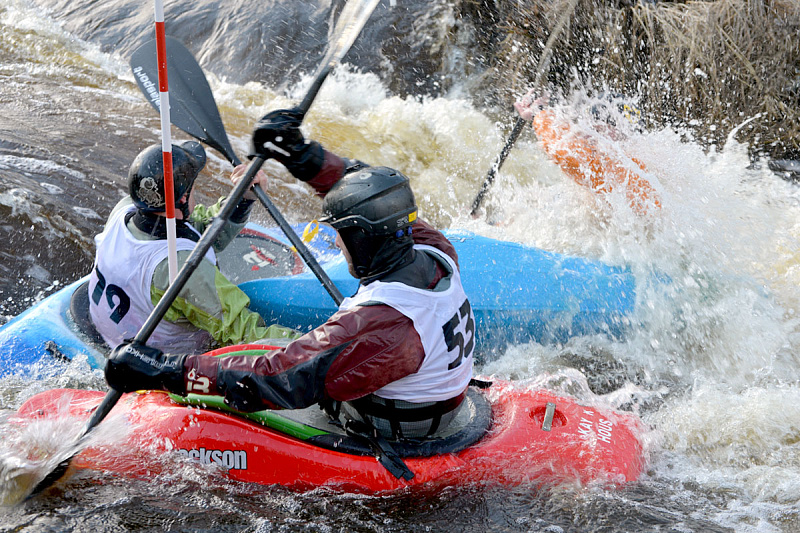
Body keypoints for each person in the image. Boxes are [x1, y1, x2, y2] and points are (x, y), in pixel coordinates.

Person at [103, 110, 476, 440]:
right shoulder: (434, 249)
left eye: (339, 234)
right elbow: (367, 188)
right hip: (429, 397)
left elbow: (276, 376)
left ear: (363, 240)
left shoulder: (379, 325)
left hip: (388, 431)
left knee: (273, 363)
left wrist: (166, 370)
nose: (334, 242)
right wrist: (303, 156)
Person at [89, 140, 297, 354]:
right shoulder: (181, 269)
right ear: (184, 197)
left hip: (112, 333)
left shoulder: (124, 211)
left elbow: (198, 229)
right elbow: (243, 332)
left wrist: (242, 199)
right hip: (155, 365)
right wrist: (315, 346)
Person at [514, 90, 661, 216]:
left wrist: (537, 113)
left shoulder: (622, 170)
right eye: (587, 127)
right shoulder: (647, 162)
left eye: (596, 130)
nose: (586, 135)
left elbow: (561, 150)